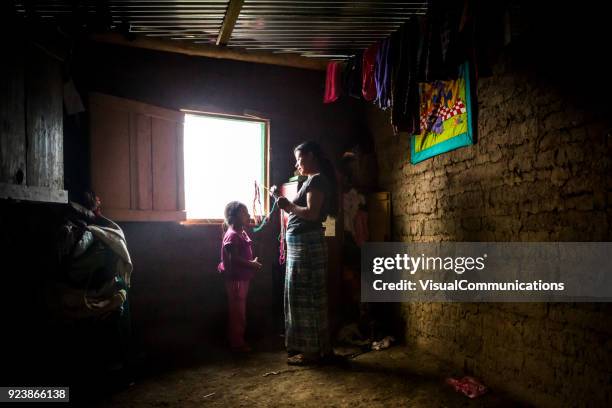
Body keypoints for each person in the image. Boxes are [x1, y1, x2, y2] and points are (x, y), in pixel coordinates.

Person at [277, 141, 339, 365]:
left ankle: (312, 352)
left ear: (311, 156)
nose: (297, 164)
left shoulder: (318, 180)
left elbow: (312, 214)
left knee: (307, 295)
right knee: (307, 295)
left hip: (306, 246)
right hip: (302, 245)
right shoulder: (312, 180)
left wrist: (288, 206)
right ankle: (320, 348)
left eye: (300, 158)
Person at [218, 201, 262, 352]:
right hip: (236, 280)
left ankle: (236, 339)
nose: (248, 215)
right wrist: (252, 264)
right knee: (238, 313)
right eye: (244, 213)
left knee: (239, 310)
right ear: (234, 217)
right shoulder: (232, 235)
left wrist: (251, 263)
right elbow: (233, 259)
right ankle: (237, 343)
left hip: (241, 279)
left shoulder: (240, 232)